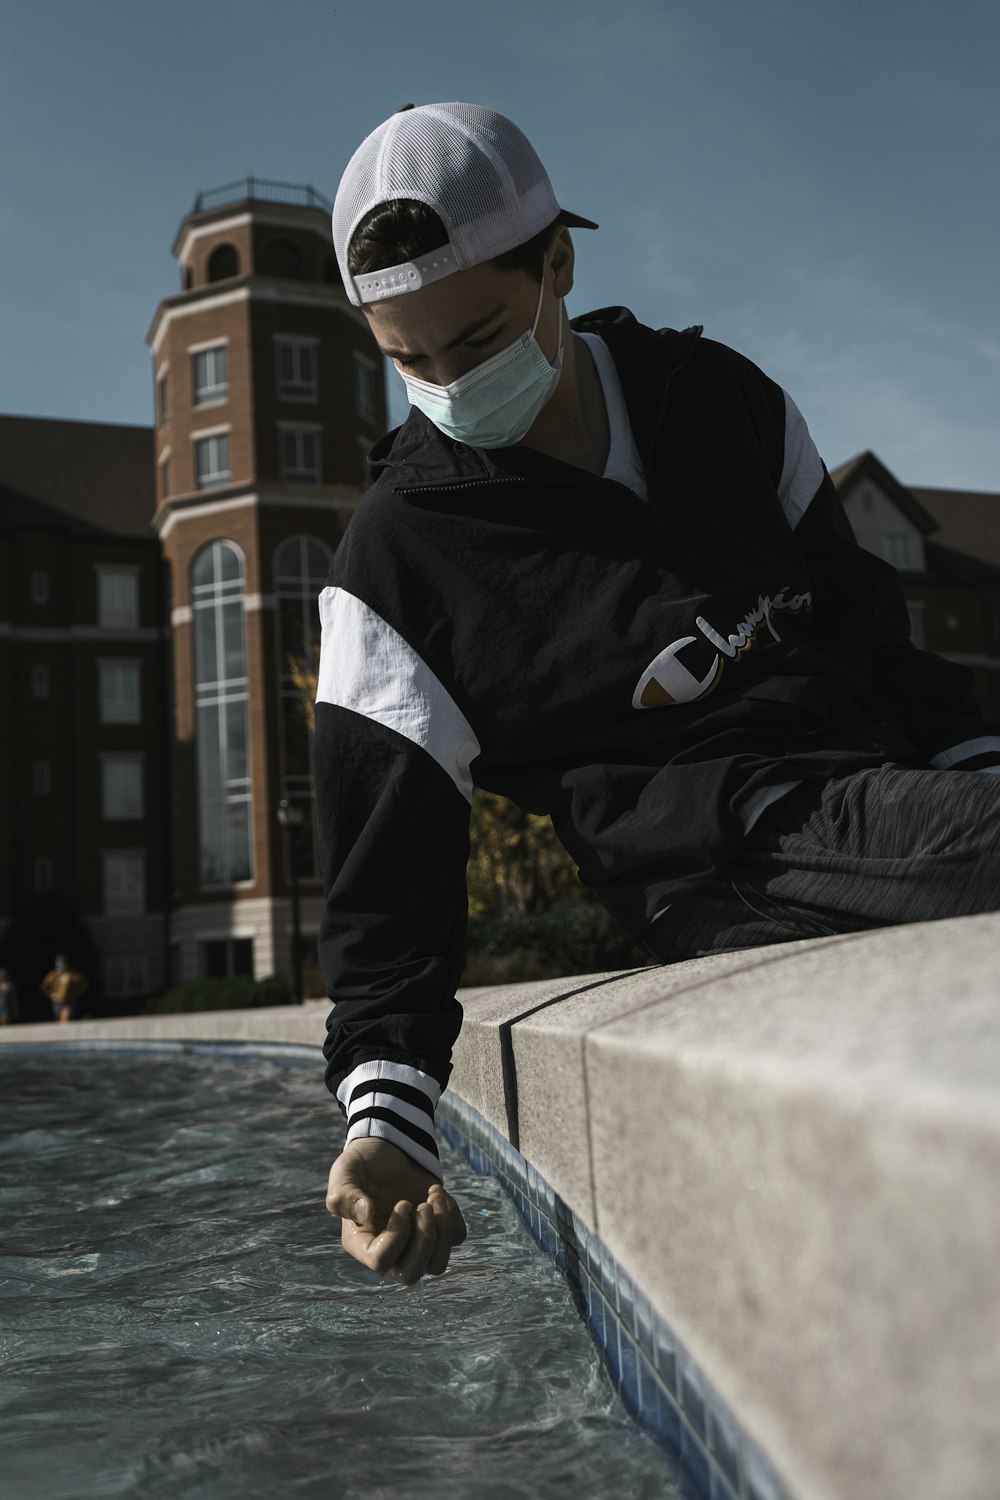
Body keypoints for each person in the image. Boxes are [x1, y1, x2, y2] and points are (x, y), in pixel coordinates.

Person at [315, 101, 1000, 1288]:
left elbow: (868, 640)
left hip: (866, 786)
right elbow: (389, 882)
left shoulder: (720, 402)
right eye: (406, 361)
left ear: (558, 266)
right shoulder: (397, 560)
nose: (445, 387)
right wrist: (384, 1123)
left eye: (474, 342)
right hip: (715, 851)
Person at [40, 954, 88, 1024]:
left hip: (69, 1002)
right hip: (57, 1002)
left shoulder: (72, 974)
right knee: (60, 1021)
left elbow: (83, 984)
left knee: (65, 1021)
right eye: (59, 962)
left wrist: (75, 993)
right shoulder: (53, 974)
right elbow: (44, 986)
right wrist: (52, 995)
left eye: (63, 962)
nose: (61, 964)